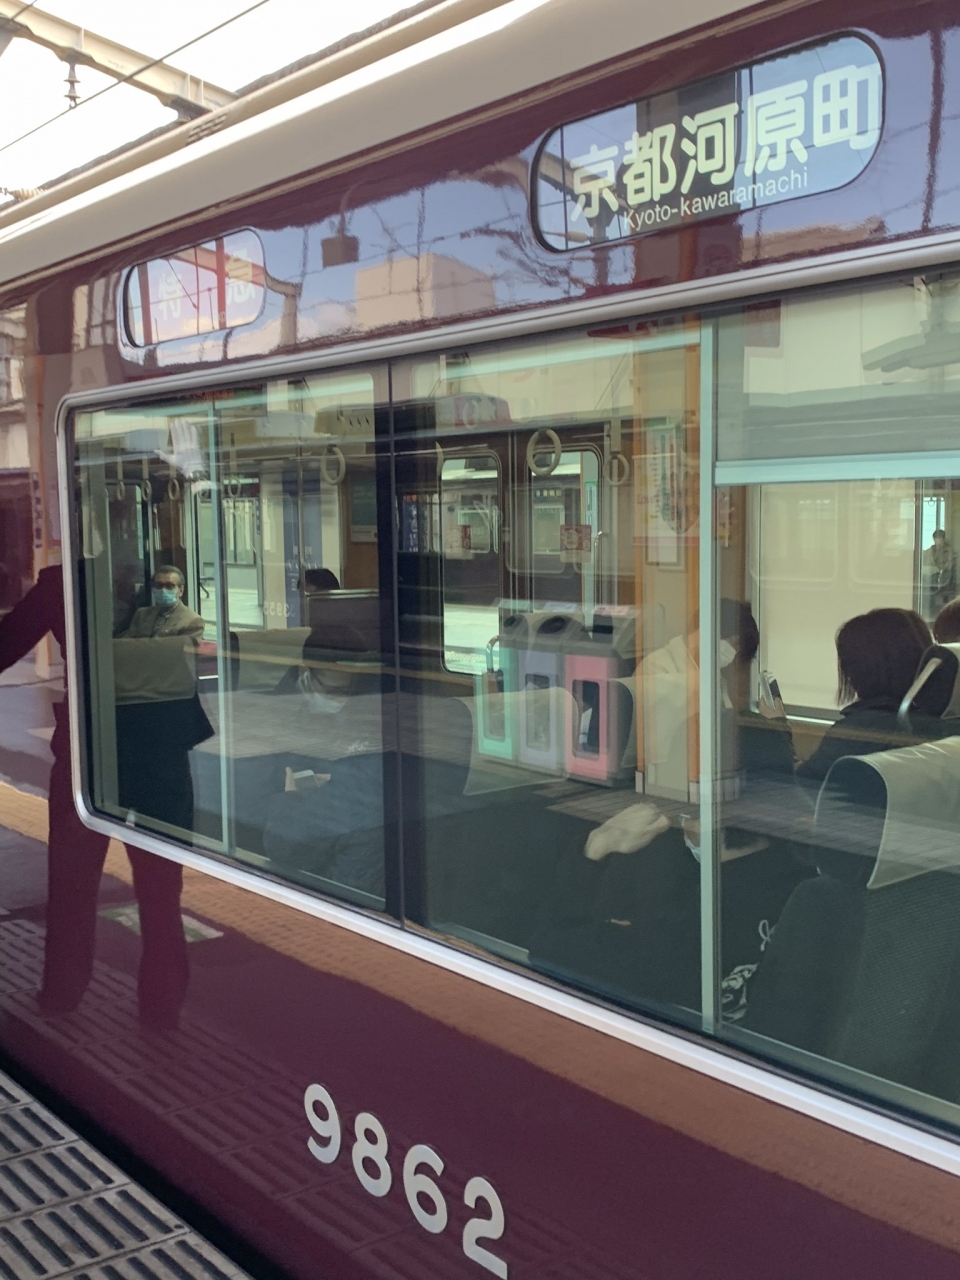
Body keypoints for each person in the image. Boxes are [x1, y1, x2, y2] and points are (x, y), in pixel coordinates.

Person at [0, 563, 189, 1028]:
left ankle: (62, 992)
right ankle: (162, 1007)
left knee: (71, 880)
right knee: (161, 886)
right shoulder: (162, 570)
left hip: (89, 750)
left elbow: (6, 643)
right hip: (159, 748)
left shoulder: (64, 582)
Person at [798, 608, 933, 783]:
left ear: (861, 668)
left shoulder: (858, 731)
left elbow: (800, 788)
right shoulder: (937, 719)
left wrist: (779, 734)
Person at [123, 565, 204, 639]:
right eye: (159, 585)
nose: (163, 590)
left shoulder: (192, 620)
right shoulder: (141, 614)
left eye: (169, 586)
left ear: (181, 590)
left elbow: (184, 649)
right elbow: (129, 643)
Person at [923, 529, 955, 617]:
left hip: (945, 577)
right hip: (932, 576)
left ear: (943, 539)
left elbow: (949, 565)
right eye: (936, 538)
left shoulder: (948, 551)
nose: (937, 540)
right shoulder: (930, 551)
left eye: (939, 538)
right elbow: (925, 562)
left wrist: (941, 568)